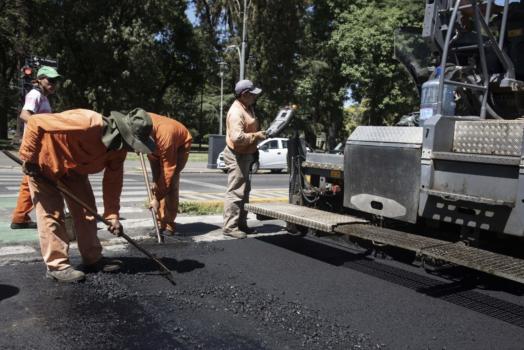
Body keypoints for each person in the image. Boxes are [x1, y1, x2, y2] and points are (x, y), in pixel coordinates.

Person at [19, 108, 156, 283]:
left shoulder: (118, 151)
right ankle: (57, 266)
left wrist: (112, 215)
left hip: (74, 171)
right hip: (44, 163)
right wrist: (29, 158)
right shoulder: (87, 122)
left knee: (87, 212)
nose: (133, 149)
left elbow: (113, 182)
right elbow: (35, 121)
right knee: (51, 215)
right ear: (123, 134)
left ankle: (93, 259)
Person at [11, 66, 61, 229]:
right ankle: (22, 217)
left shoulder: (44, 97)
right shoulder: (35, 94)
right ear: (40, 79)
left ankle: (20, 217)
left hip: (40, 147)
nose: (53, 84)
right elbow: (25, 115)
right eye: (50, 80)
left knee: (29, 181)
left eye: (55, 81)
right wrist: (42, 127)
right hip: (34, 147)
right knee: (34, 181)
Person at [222, 80, 266, 239]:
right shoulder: (236, 112)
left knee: (244, 191)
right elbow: (236, 137)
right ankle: (230, 227)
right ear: (244, 94)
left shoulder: (247, 108)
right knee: (235, 192)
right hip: (237, 155)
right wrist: (256, 136)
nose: (255, 96)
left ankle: (241, 223)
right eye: (253, 94)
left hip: (245, 154)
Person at [147, 113, 192, 236]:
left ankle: (168, 224)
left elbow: (168, 172)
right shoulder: (138, 120)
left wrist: (156, 198)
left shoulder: (165, 136)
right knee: (156, 182)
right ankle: (159, 222)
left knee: (170, 183)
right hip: (154, 144)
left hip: (178, 147)